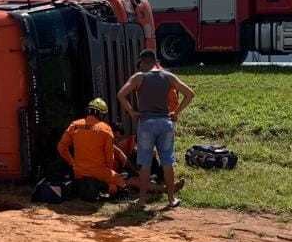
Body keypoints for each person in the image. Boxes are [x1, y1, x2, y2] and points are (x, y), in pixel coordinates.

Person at [117, 50, 195, 208]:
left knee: (145, 163)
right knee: (167, 161)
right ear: (155, 61)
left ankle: (142, 201)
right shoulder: (168, 76)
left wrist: (132, 112)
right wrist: (176, 112)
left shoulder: (139, 77)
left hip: (146, 124)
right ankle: (171, 199)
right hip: (165, 123)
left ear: (143, 62)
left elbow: (121, 94)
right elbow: (189, 94)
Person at [56, 98, 128, 197]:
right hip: (99, 171)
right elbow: (109, 157)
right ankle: (107, 189)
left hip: (79, 172)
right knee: (120, 181)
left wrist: (72, 163)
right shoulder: (105, 129)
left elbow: (61, 147)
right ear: (101, 114)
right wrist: (110, 175)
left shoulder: (74, 125)